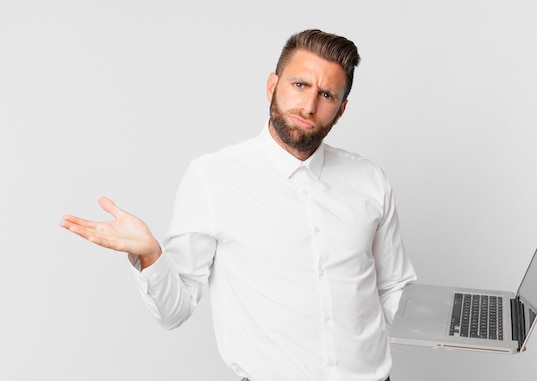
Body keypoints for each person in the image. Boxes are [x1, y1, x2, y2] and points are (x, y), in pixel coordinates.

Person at [60, 29, 417, 381]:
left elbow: (393, 288)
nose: (309, 106)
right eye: (299, 85)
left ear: (341, 110)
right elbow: (174, 311)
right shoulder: (213, 178)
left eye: (326, 94)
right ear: (272, 86)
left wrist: (451, 321)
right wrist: (151, 255)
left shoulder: (369, 181)